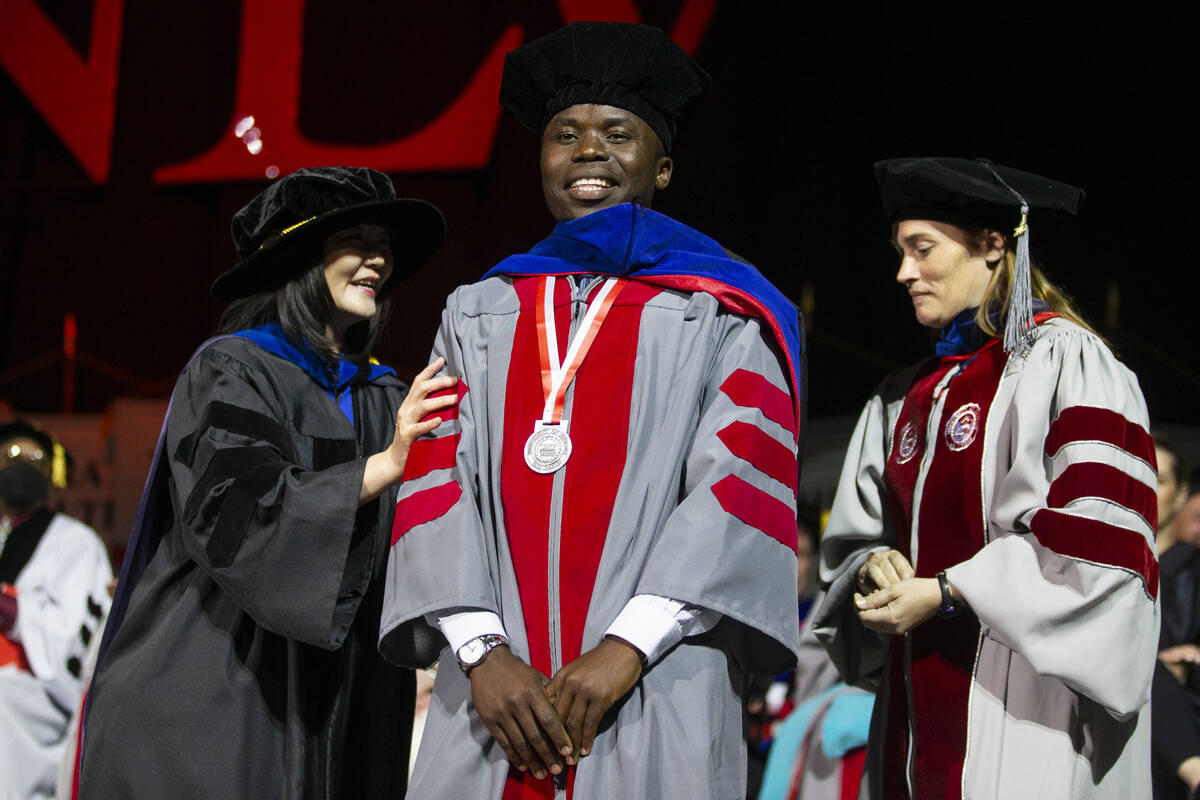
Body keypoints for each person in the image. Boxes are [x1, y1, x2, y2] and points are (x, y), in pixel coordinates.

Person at [378, 22, 803, 799]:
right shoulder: (478, 310)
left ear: (662, 166)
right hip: (491, 701)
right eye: (564, 134)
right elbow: (438, 474)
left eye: (617, 133)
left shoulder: (727, 316)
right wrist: (481, 651)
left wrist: (626, 649)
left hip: (655, 685)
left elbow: (734, 489)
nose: (587, 151)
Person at [79, 167, 454, 798]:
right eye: (356, 239)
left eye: (383, 244)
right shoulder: (231, 369)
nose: (378, 258)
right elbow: (237, 510)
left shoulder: (387, 393)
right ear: (304, 255)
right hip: (216, 686)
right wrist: (385, 465)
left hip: (348, 703)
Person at [813, 157, 1157, 798]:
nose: (903, 272)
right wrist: (874, 566)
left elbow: (1100, 549)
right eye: (899, 251)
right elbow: (855, 541)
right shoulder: (902, 396)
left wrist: (948, 591)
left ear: (995, 245)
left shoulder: (1069, 364)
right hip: (912, 705)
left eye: (923, 249)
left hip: (1027, 700)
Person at [0, 421, 111, 800]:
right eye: (12, 456)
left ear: (51, 473)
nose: (23, 464)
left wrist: (14, 611)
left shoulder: (77, 543)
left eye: (35, 458)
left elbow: (79, 644)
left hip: (33, 698)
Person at [1151, 435, 1200, 798]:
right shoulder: (1089, 568)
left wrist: (1193, 660)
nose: (1146, 485)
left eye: (1160, 479)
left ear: (1181, 494)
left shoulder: (1193, 570)